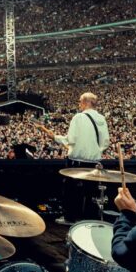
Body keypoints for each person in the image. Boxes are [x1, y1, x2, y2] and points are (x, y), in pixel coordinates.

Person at [36, 92, 110, 223]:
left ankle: (70, 218)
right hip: (94, 163)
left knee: (72, 191)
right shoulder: (102, 118)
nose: (79, 104)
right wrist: (94, 152)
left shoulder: (78, 117)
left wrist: (54, 137)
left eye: (80, 101)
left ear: (86, 103)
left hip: (77, 162)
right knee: (90, 193)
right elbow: (105, 143)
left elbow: (70, 139)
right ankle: (88, 220)